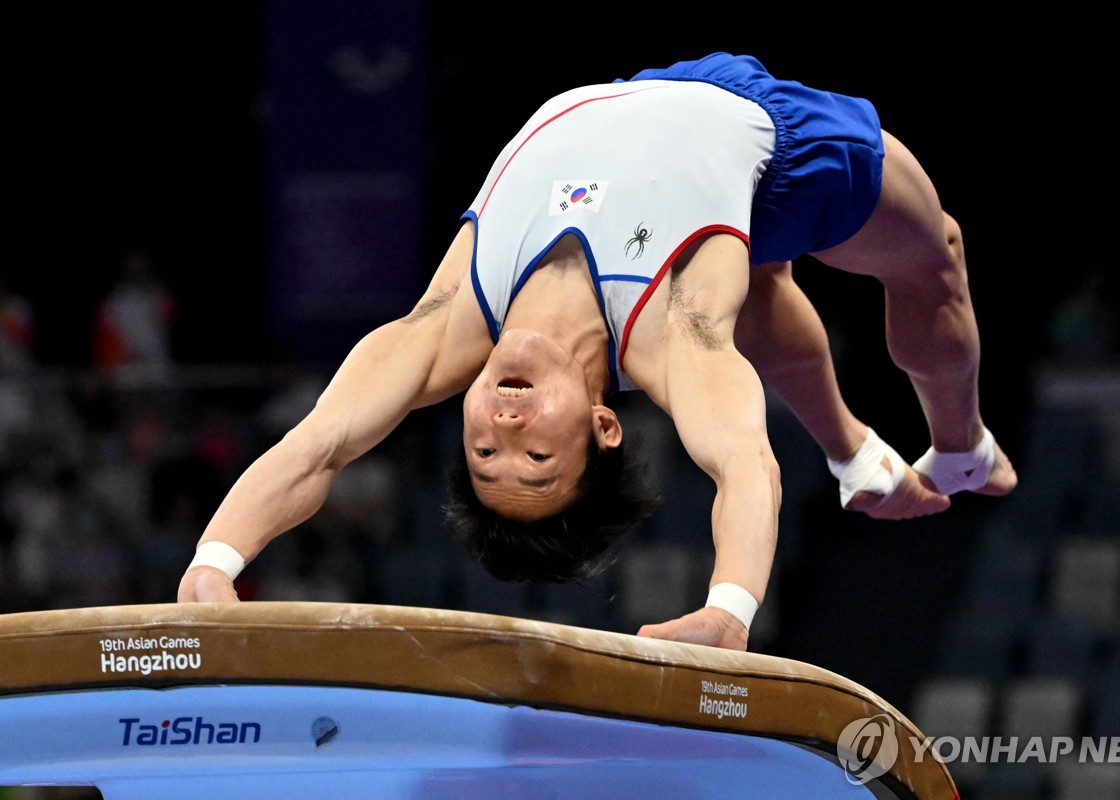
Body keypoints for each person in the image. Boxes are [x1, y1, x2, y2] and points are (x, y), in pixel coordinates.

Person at [178, 52, 1017, 651]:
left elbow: (318, 443)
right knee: (932, 256)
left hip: (654, 90)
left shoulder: (447, 325)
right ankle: (963, 448)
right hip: (777, 146)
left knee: (764, 297)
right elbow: (745, 467)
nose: (504, 422)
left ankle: (856, 456)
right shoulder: (670, 334)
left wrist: (214, 565)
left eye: (483, 449)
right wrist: (729, 609)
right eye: (536, 452)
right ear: (604, 424)